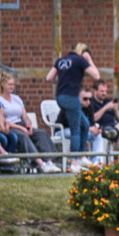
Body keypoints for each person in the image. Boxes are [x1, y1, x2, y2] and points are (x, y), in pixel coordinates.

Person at [46, 42, 100, 171]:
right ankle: (74, 162)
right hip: (71, 97)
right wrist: (89, 60)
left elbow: (49, 78)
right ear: (83, 53)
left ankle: (80, 157)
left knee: (85, 125)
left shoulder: (61, 60)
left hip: (60, 97)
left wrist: (62, 82)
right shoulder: (79, 60)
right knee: (76, 130)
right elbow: (96, 76)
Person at [0, 72, 61, 173]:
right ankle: (40, 163)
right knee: (23, 136)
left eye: (13, 84)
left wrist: (28, 126)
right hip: (9, 126)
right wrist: (22, 129)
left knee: (41, 133)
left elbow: (25, 116)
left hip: (21, 124)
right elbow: (2, 119)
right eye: (9, 84)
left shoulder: (16, 98)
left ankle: (49, 162)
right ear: (2, 84)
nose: (12, 87)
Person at [89, 80, 119, 151]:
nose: (104, 93)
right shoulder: (91, 103)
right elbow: (94, 118)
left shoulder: (108, 101)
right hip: (103, 128)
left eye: (105, 91)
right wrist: (106, 107)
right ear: (95, 91)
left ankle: (114, 130)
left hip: (115, 126)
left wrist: (116, 110)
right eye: (102, 91)